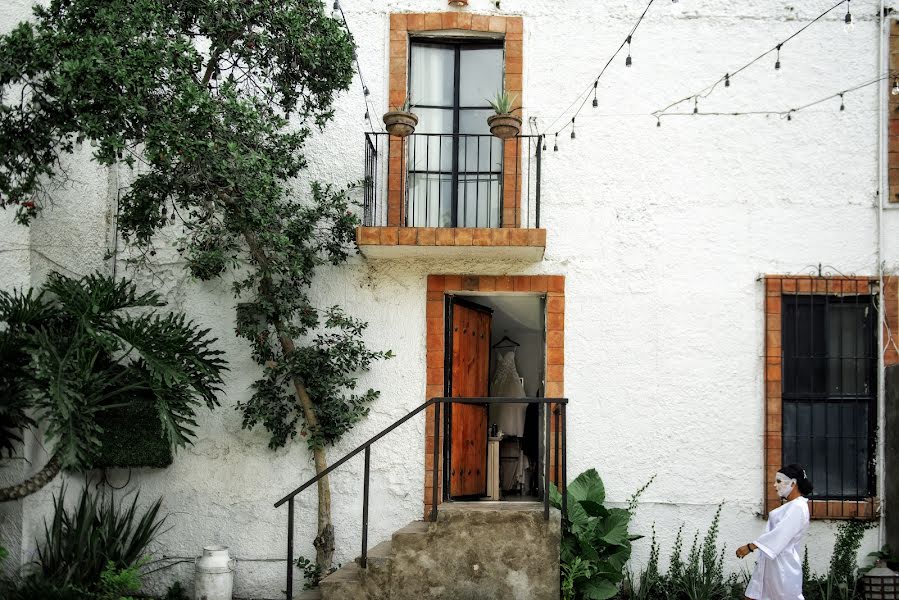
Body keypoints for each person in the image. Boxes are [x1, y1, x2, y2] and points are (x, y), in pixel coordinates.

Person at [736, 464, 814, 600]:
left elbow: (780, 535)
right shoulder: (792, 506)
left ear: (793, 483)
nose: (774, 485)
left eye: (779, 481)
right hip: (772, 562)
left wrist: (751, 546)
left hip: (782, 567)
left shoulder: (797, 507)